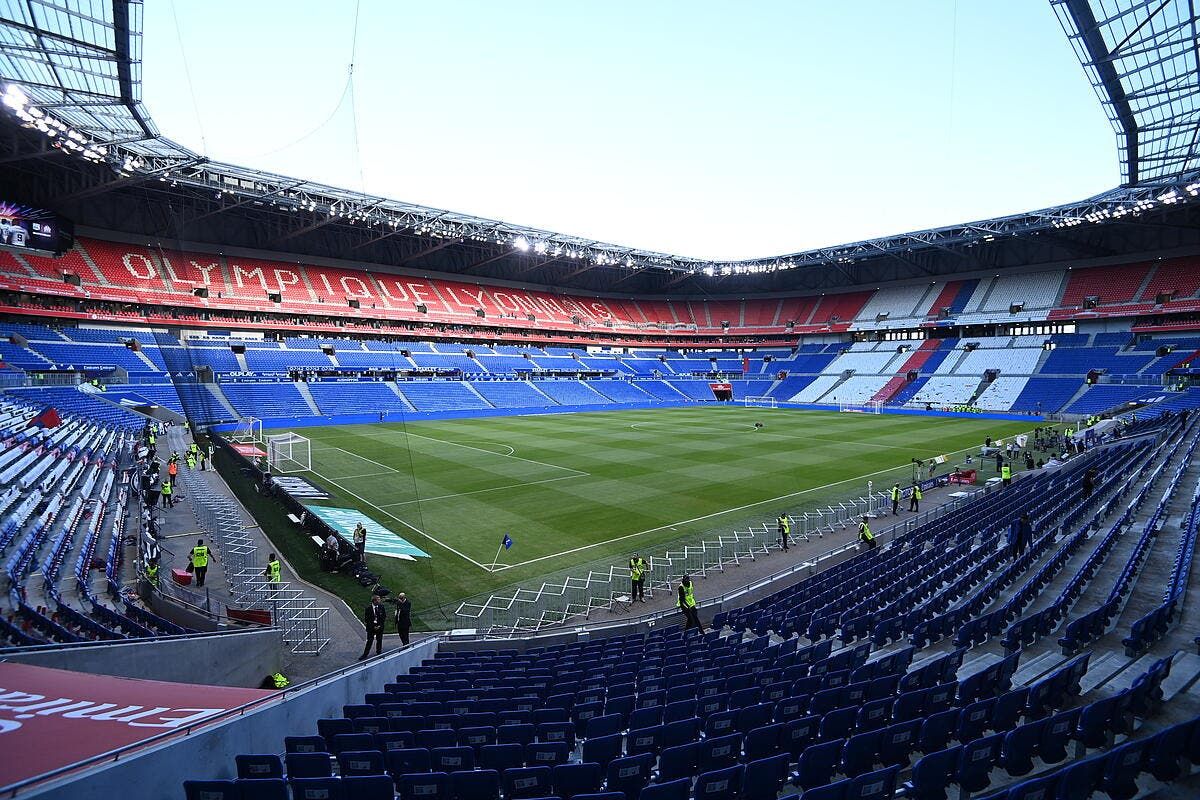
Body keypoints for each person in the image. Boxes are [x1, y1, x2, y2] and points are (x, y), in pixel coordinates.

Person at [360, 593, 387, 659]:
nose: (379, 601)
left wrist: (379, 625)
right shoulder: (368, 609)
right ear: (374, 601)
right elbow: (367, 620)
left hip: (379, 627)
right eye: (378, 600)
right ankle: (365, 654)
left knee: (379, 640)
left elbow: (384, 617)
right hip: (371, 628)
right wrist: (373, 626)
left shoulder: (381, 607)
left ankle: (379, 652)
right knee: (369, 641)